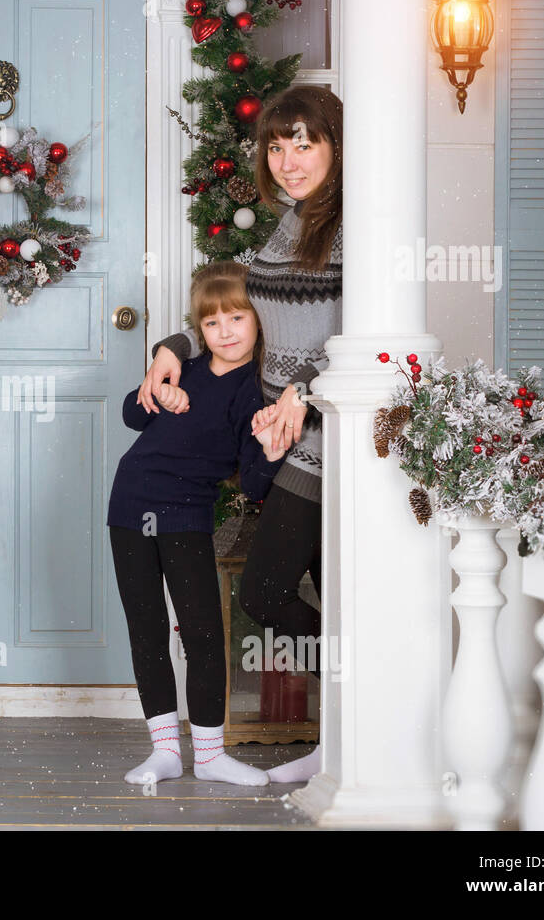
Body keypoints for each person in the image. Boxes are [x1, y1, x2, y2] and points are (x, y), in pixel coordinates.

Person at [137, 85, 344, 784]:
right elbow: (236, 313)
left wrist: (303, 387)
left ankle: (372, 695)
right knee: (322, 588)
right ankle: (342, 741)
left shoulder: (353, 227)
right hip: (278, 442)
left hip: (322, 443)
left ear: (334, 147)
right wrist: (172, 345)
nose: (288, 161)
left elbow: (367, 338)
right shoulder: (290, 224)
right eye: (277, 146)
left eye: (304, 144)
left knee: (263, 594)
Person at [108, 261, 287, 787]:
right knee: (147, 628)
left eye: (236, 318)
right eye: (212, 323)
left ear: (259, 320)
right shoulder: (182, 365)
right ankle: (165, 750)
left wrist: (271, 448)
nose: (225, 332)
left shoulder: (257, 391)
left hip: (187, 514)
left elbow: (252, 484)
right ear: (198, 329)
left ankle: (209, 754)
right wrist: (160, 393)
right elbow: (131, 416)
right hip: (131, 502)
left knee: (204, 633)